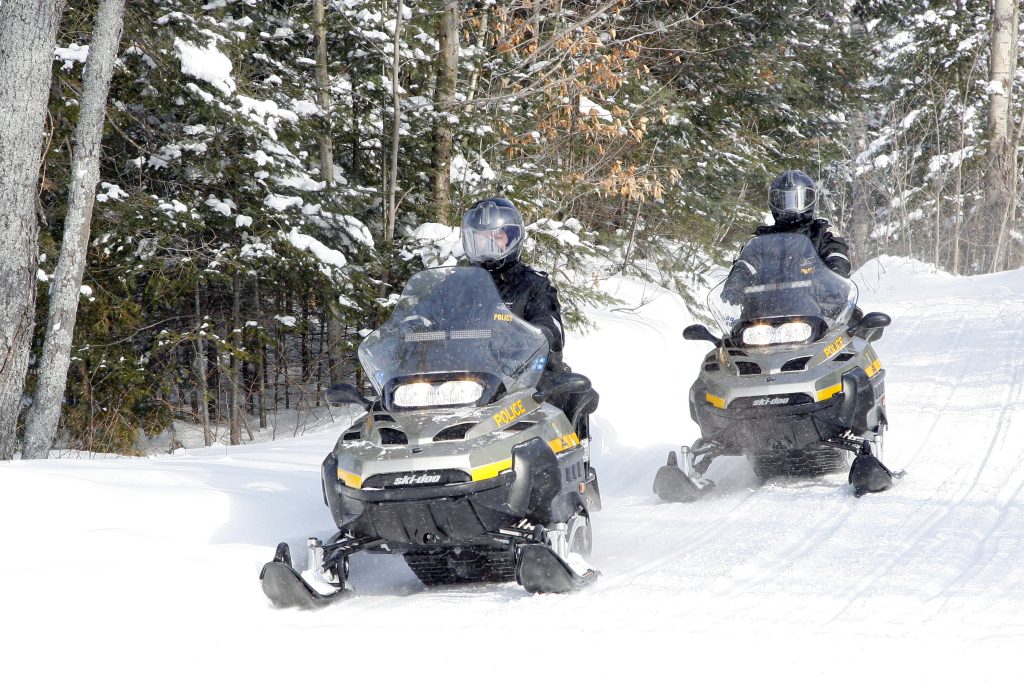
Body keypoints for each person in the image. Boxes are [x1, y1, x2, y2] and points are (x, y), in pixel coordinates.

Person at [460, 197, 598, 439]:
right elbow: (426, 318)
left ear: (513, 238)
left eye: (497, 237)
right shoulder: (457, 287)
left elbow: (551, 328)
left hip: (521, 376)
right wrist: (412, 328)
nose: (489, 244)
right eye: (483, 238)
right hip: (465, 377)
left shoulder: (533, 284)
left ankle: (555, 460)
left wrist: (536, 333)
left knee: (556, 396)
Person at [756, 170, 851, 277]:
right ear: (774, 201)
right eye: (784, 201)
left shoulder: (821, 232)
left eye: (796, 200)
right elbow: (746, 263)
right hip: (769, 293)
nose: (790, 207)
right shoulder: (761, 238)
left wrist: (837, 271)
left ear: (809, 198)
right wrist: (739, 277)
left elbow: (836, 254)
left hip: (817, 293)